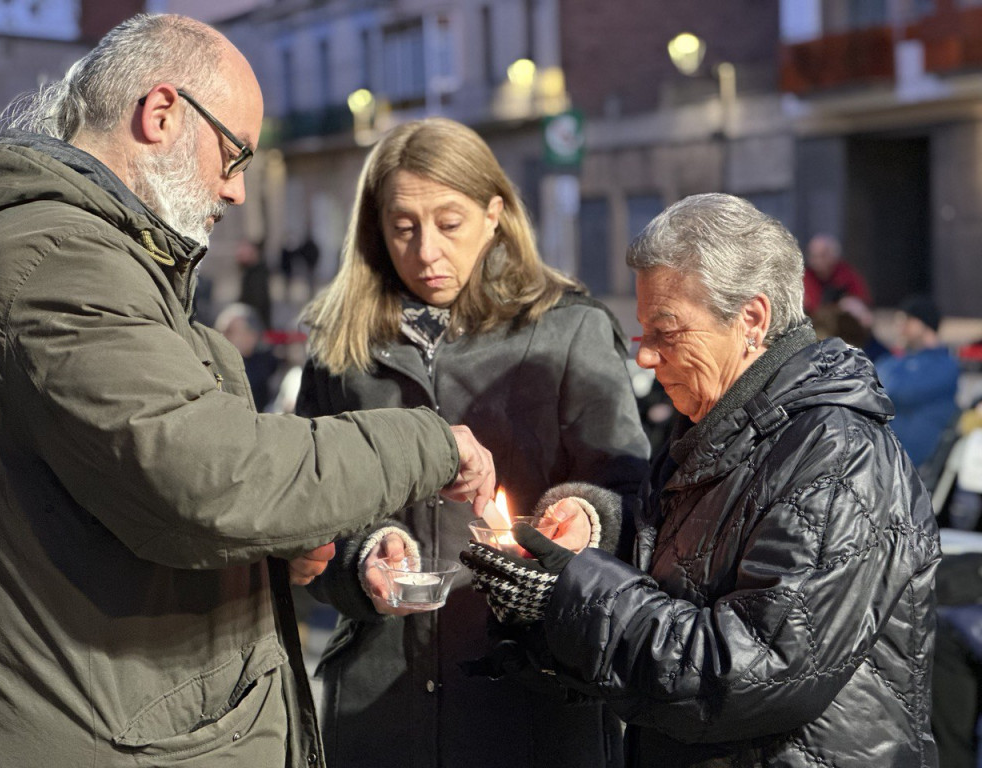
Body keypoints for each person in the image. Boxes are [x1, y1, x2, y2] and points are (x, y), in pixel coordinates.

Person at [0, 15, 497, 768]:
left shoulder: (96, 251)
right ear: (162, 114)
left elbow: (120, 493)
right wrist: (428, 439)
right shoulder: (56, 257)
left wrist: (266, 554)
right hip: (100, 734)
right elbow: (208, 475)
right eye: (236, 153)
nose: (238, 189)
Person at [463, 193, 941, 766]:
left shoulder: (837, 456)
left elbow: (750, 671)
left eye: (666, 332)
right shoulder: (721, 422)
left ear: (752, 321)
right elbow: (685, 573)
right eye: (642, 335)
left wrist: (572, 591)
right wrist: (592, 535)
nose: (645, 359)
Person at [295, 116, 650, 767]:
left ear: (494, 214)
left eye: (449, 223)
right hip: (379, 710)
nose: (426, 249)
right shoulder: (338, 347)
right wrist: (362, 559)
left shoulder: (569, 330)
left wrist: (586, 521)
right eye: (403, 226)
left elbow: (634, 500)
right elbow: (301, 515)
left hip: (529, 701)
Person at [876, 293, 960, 469]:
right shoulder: (894, 361)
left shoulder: (946, 365)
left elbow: (899, 392)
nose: (899, 328)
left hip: (920, 464)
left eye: (905, 321)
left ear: (923, 324)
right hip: (885, 459)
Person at [802, 232, 872, 315]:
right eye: (813, 256)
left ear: (833, 255)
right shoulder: (805, 277)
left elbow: (863, 299)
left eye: (822, 255)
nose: (817, 261)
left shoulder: (845, 274)